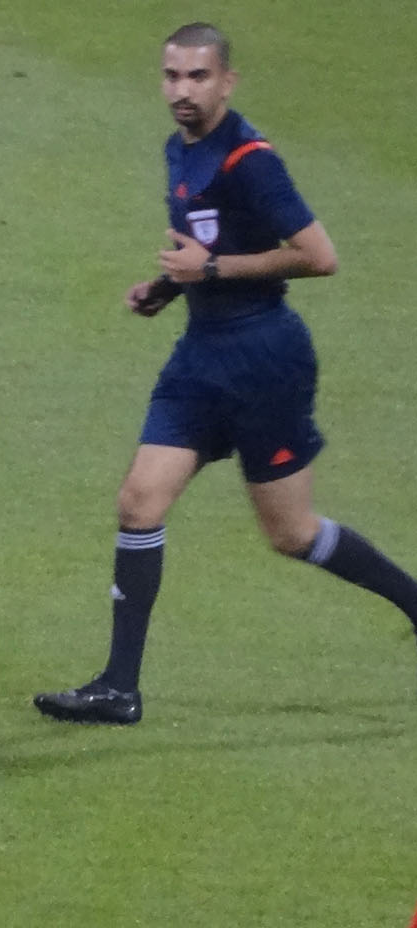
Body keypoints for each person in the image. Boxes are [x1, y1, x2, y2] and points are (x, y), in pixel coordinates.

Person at [35, 22, 417, 726]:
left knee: (291, 533)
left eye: (198, 76)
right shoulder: (179, 151)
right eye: (172, 76)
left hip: (266, 360)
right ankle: (119, 689)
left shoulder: (250, 161)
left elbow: (320, 256)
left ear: (227, 82)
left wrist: (208, 269)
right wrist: (169, 286)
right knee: (139, 502)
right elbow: (205, 245)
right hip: (201, 357)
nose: (182, 90)